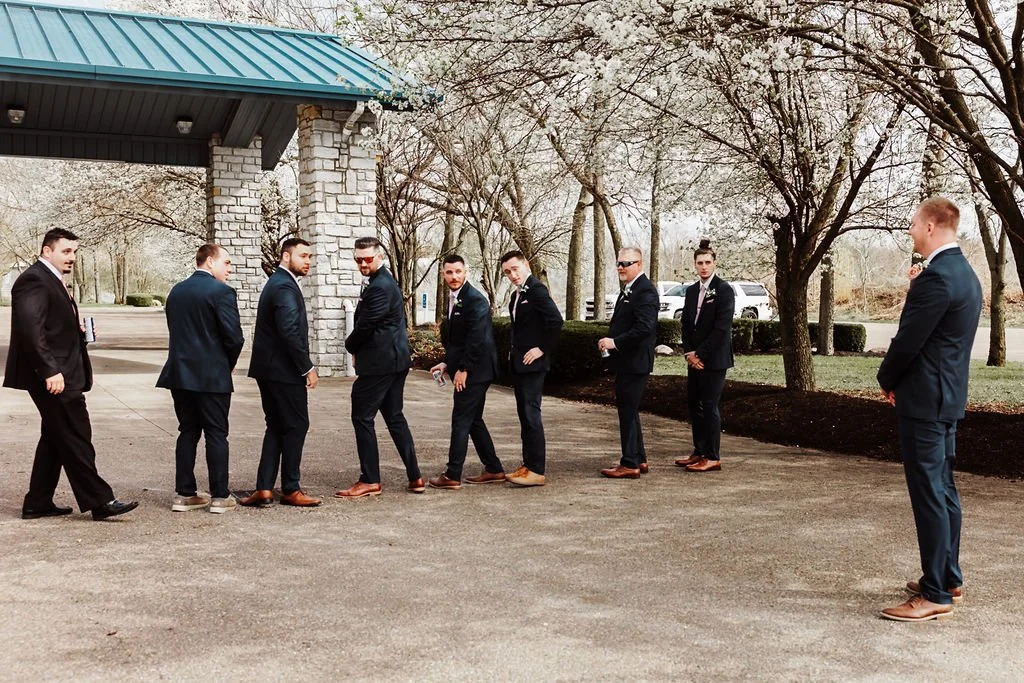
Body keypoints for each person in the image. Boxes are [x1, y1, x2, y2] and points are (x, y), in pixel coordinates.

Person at [876, 197, 982, 622]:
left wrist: (886, 380)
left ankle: (936, 592)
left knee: (930, 496)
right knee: (944, 491)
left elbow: (908, 340)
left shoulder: (936, 279)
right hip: (947, 397)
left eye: (915, 222)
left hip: (924, 401)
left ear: (934, 226)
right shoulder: (964, 274)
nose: (911, 229)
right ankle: (948, 577)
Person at [4, 228, 138, 521]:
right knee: (76, 434)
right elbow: (30, 330)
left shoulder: (50, 280)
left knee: (56, 436)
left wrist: (78, 334)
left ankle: (37, 502)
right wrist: (49, 370)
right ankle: (100, 501)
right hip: (52, 375)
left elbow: (48, 326)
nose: (72, 258)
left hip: (61, 370)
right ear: (47, 250)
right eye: (66, 251)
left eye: (75, 252)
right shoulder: (33, 280)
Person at [157, 244, 244, 514]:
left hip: (180, 373)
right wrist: (227, 364)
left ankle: (184, 494)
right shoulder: (222, 292)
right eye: (226, 263)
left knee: (188, 431)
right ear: (209, 262)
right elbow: (234, 337)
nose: (229, 269)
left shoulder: (176, 292)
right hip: (211, 375)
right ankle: (220, 496)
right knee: (217, 433)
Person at [336, 237, 423, 498]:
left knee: (362, 416)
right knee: (394, 416)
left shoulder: (380, 286)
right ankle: (415, 476)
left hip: (381, 364)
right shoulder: (378, 282)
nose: (362, 263)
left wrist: (350, 346)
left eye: (367, 259)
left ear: (379, 256)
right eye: (358, 259)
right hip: (393, 361)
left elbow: (365, 327)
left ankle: (370, 479)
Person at [239, 238, 321, 508]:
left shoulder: (277, 282)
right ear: (286, 256)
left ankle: (264, 488)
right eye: (303, 256)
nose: (308, 261)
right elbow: (289, 330)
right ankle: (291, 488)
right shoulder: (284, 285)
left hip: (269, 370)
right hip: (284, 372)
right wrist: (306, 367)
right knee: (297, 425)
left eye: (310, 256)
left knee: (276, 426)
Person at [428, 255, 506, 490]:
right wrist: (446, 364)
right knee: (473, 420)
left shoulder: (476, 300)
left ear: (466, 273)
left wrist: (463, 369)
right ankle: (493, 468)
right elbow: (458, 342)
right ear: (443, 275)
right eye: (449, 272)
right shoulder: (454, 298)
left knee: (461, 419)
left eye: (458, 272)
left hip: (476, 370)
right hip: (469, 368)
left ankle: (452, 474)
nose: (454, 276)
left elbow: (477, 340)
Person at [499, 250, 563, 487]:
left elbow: (555, 321)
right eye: (507, 272)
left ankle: (537, 469)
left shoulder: (536, 289)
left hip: (533, 365)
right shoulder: (518, 295)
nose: (512, 275)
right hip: (520, 365)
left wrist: (541, 349)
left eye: (515, 269)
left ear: (525, 264)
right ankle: (528, 465)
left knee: (531, 414)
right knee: (524, 416)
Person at [597, 247, 659, 479]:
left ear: (639, 264)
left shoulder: (645, 291)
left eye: (626, 263)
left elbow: (644, 328)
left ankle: (630, 463)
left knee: (627, 411)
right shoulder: (630, 290)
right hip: (627, 362)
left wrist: (614, 343)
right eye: (619, 263)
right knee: (629, 411)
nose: (621, 268)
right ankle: (639, 458)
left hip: (635, 362)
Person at [676, 239, 735, 472]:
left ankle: (712, 456)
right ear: (695, 264)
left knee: (710, 406)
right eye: (699, 263)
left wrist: (701, 354)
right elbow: (686, 324)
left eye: (707, 262)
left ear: (714, 264)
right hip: (694, 359)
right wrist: (690, 353)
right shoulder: (691, 291)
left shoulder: (723, 290)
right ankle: (699, 450)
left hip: (714, 359)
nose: (703, 266)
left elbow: (722, 328)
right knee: (694, 405)